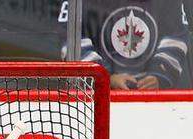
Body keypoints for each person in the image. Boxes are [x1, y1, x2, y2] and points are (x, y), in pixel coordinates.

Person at [62, 0, 191, 89]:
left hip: (155, 100)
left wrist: (159, 75)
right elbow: (71, 39)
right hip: (94, 101)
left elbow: (176, 37)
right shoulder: (80, 4)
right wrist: (105, 77)